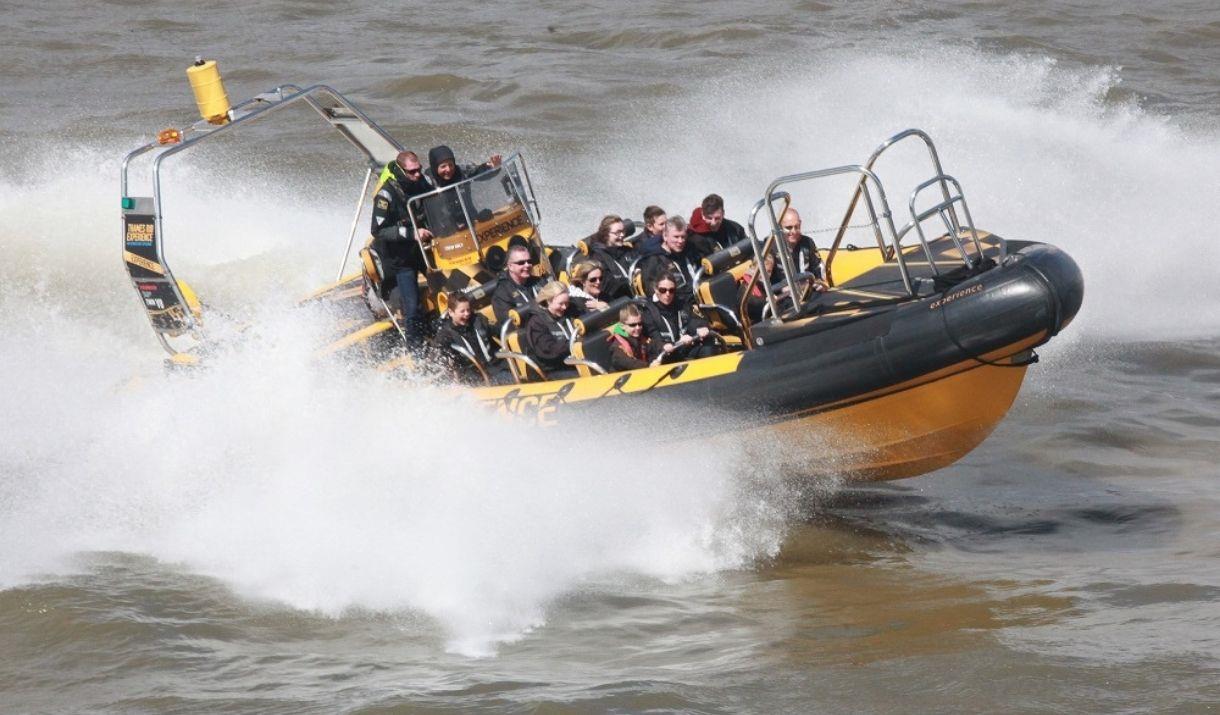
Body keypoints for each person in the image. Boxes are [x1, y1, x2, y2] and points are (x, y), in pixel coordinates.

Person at [370, 150, 435, 347]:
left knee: (451, 287)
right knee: (412, 307)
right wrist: (411, 234)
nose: (417, 175)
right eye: (412, 172)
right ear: (400, 171)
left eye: (419, 170)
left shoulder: (422, 182)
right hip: (402, 259)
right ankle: (415, 351)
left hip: (426, 250)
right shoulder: (385, 195)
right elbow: (378, 230)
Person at [420, 145, 503, 234]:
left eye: (451, 165)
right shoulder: (427, 181)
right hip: (446, 230)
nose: (448, 169)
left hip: (471, 221)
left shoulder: (461, 171)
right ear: (435, 167)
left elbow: (479, 172)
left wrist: (493, 167)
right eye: (443, 166)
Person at [431, 292, 507, 384]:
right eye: (462, 311)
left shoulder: (478, 320)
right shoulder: (446, 333)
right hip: (473, 375)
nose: (467, 314)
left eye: (468, 310)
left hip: (496, 367)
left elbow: (496, 330)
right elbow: (436, 353)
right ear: (451, 312)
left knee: (507, 377)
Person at [641, 272, 715, 363]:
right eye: (663, 290)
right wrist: (675, 343)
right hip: (665, 354)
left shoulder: (680, 303)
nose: (667, 294)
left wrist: (701, 327)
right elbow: (655, 339)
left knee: (708, 347)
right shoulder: (648, 311)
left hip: (684, 348)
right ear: (656, 289)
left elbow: (693, 319)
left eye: (671, 290)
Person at [639, 216, 701, 305]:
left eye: (683, 237)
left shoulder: (689, 250)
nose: (680, 241)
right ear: (665, 236)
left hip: (699, 294)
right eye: (676, 237)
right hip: (678, 304)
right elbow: (652, 290)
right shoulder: (654, 260)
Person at [523, 280, 577, 377]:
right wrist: (573, 343)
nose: (564, 307)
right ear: (548, 301)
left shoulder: (571, 311)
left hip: (576, 359)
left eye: (567, 303)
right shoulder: (536, 322)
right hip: (555, 368)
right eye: (560, 304)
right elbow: (547, 350)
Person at [491, 244, 542, 327]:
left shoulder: (539, 281)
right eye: (521, 262)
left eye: (529, 261)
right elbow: (509, 325)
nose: (527, 265)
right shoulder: (501, 294)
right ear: (510, 266)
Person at [778, 207, 829, 287]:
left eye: (797, 227)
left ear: (800, 224)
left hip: (807, 292)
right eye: (789, 228)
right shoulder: (771, 248)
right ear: (779, 227)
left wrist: (821, 283)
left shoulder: (808, 243)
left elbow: (819, 269)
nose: (794, 231)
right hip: (784, 296)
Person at [586, 214, 633, 300]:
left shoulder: (627, 251)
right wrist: (630, 281)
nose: (622, 235)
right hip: (618, 300)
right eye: (618, 232)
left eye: (623, 231)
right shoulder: (598, 257)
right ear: (606, 234)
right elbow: (607, 286)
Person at [607, 304, 664, 371]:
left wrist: (664, 346)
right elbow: (626, 362)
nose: (637, 328)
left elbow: (654, 345)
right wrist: (649, 366)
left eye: (640, 324)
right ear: (622, 326)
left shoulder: (641, 337)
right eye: (632, 325)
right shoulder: (617, 347)